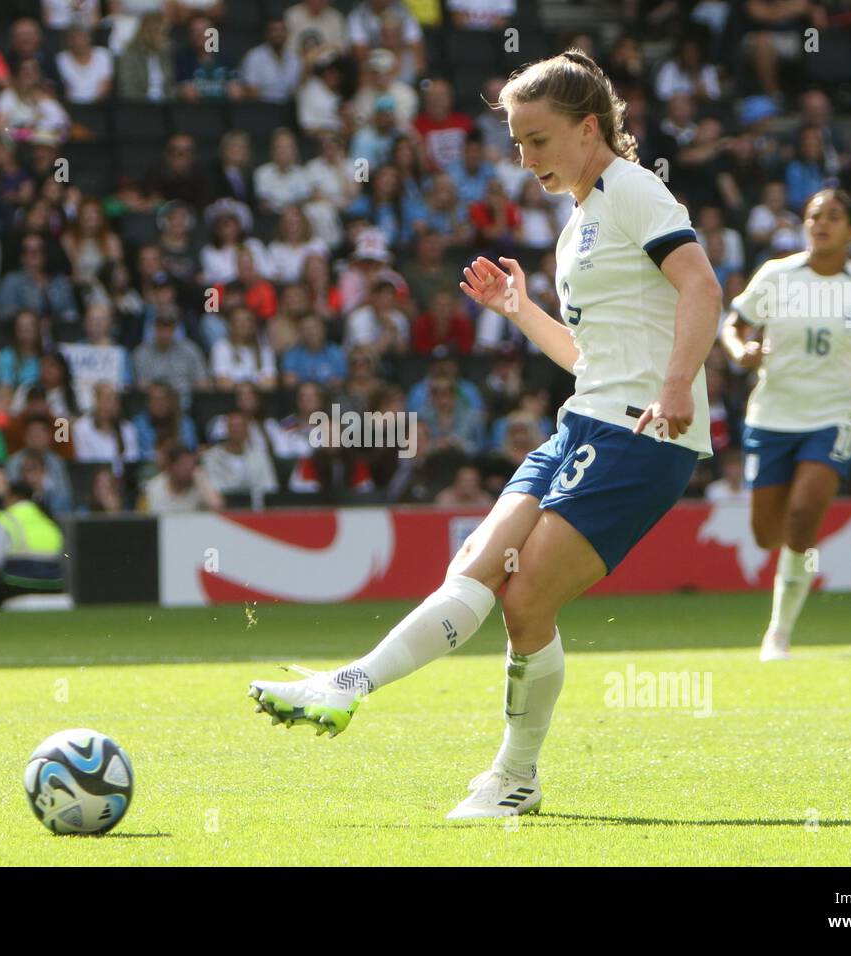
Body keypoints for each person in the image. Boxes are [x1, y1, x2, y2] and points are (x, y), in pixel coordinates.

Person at [248, 49, 722, 819]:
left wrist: (675, 388)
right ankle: (348, 685)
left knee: (527, 594)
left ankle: (514, 777)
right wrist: (519, 312)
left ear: (588, 128)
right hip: (586, 420)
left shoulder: (634, 190)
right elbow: (590, 358)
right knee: (477, 562)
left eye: (536, 138)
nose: (523, 157)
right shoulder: (578, 226)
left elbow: (702, 286)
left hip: (642, 437)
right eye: (515, 141)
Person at [720, 188, 851, 661]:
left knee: (804, 514)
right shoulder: (776, 276)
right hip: (773, 414)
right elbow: (734, 325)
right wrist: (741, 350)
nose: (821, 223)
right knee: (767, 535)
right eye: (814, 216)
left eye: (834, 216)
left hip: (836, 413)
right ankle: (792, 574)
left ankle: (778, 632)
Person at [0, 480, 65, 604]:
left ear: (13, 496)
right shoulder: (47, 519)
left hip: (18, 585)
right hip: (54, 586)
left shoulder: (6, 517)